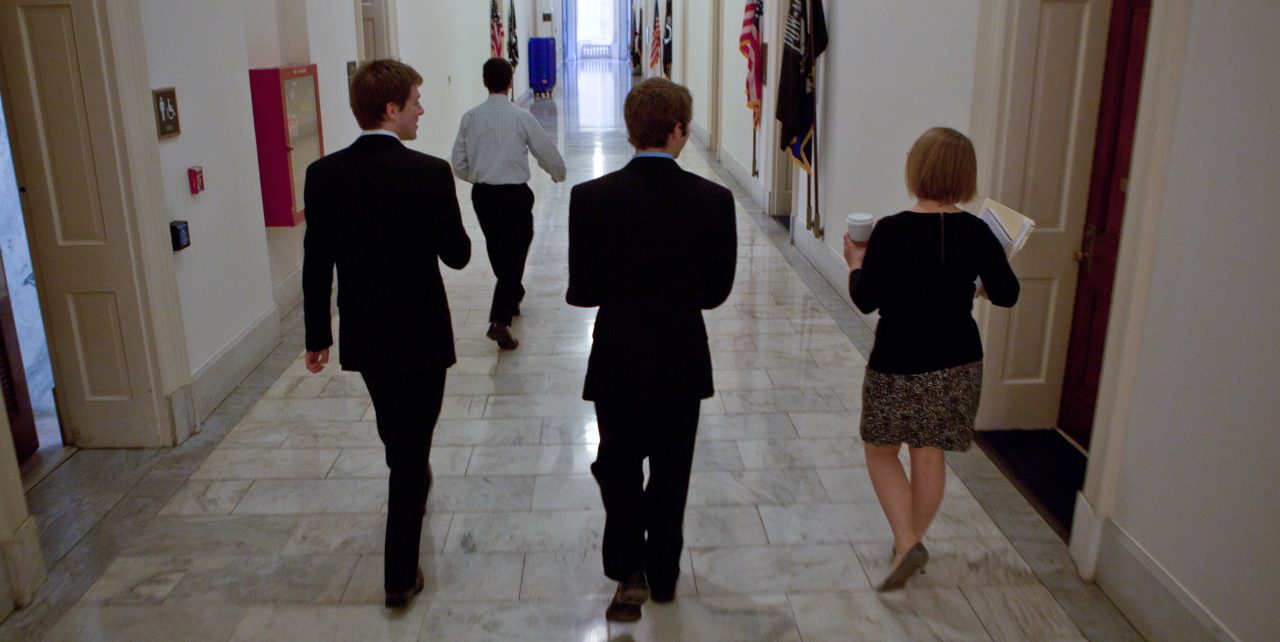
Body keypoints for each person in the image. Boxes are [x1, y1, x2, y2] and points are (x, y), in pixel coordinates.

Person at [302, 59, 471, 609]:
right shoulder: (428, 172)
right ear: (392, 109)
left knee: (396, 429)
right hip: (421, 334)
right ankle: (400, 576)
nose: (423, 109)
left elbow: (316, 264)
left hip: (366, 334)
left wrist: (315, 336)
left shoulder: (324, 175)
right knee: (408, 447)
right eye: (417, 101)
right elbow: (458, 255)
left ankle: (412, 470)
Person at [567, 78, 737, 623]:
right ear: (680, 129)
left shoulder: (590, 199)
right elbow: (715, 293)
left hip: (617, 357)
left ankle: (627, 568)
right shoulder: (714, 200)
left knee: (616, 464)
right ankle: (663, 574)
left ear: (630, 127)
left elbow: (584, 291)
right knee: (671, 470)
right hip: (681, 359)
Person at [844, 126, 1019, 591]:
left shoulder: (892, 230)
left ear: (917, 168)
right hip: (958, 359)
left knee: (882, 450)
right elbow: (1007, 293)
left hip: (899, 355)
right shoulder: (978, 231)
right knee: (928, 449)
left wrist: (856, 262)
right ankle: (910, 544)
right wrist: (983, 275)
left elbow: (866, 299)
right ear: (965, 177)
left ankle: (906, 541)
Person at [452, 57, 566, 350]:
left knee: (498, 249)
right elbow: (546, 150)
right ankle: (499, 321)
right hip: (515, 195)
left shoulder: (469, 117)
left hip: (483, 196)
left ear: (484, 82)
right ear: (510, 82)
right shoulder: (521, 116)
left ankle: (512, 294)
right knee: (515, 253)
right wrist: (558, 173)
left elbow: (458, 162)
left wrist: (478, 177)